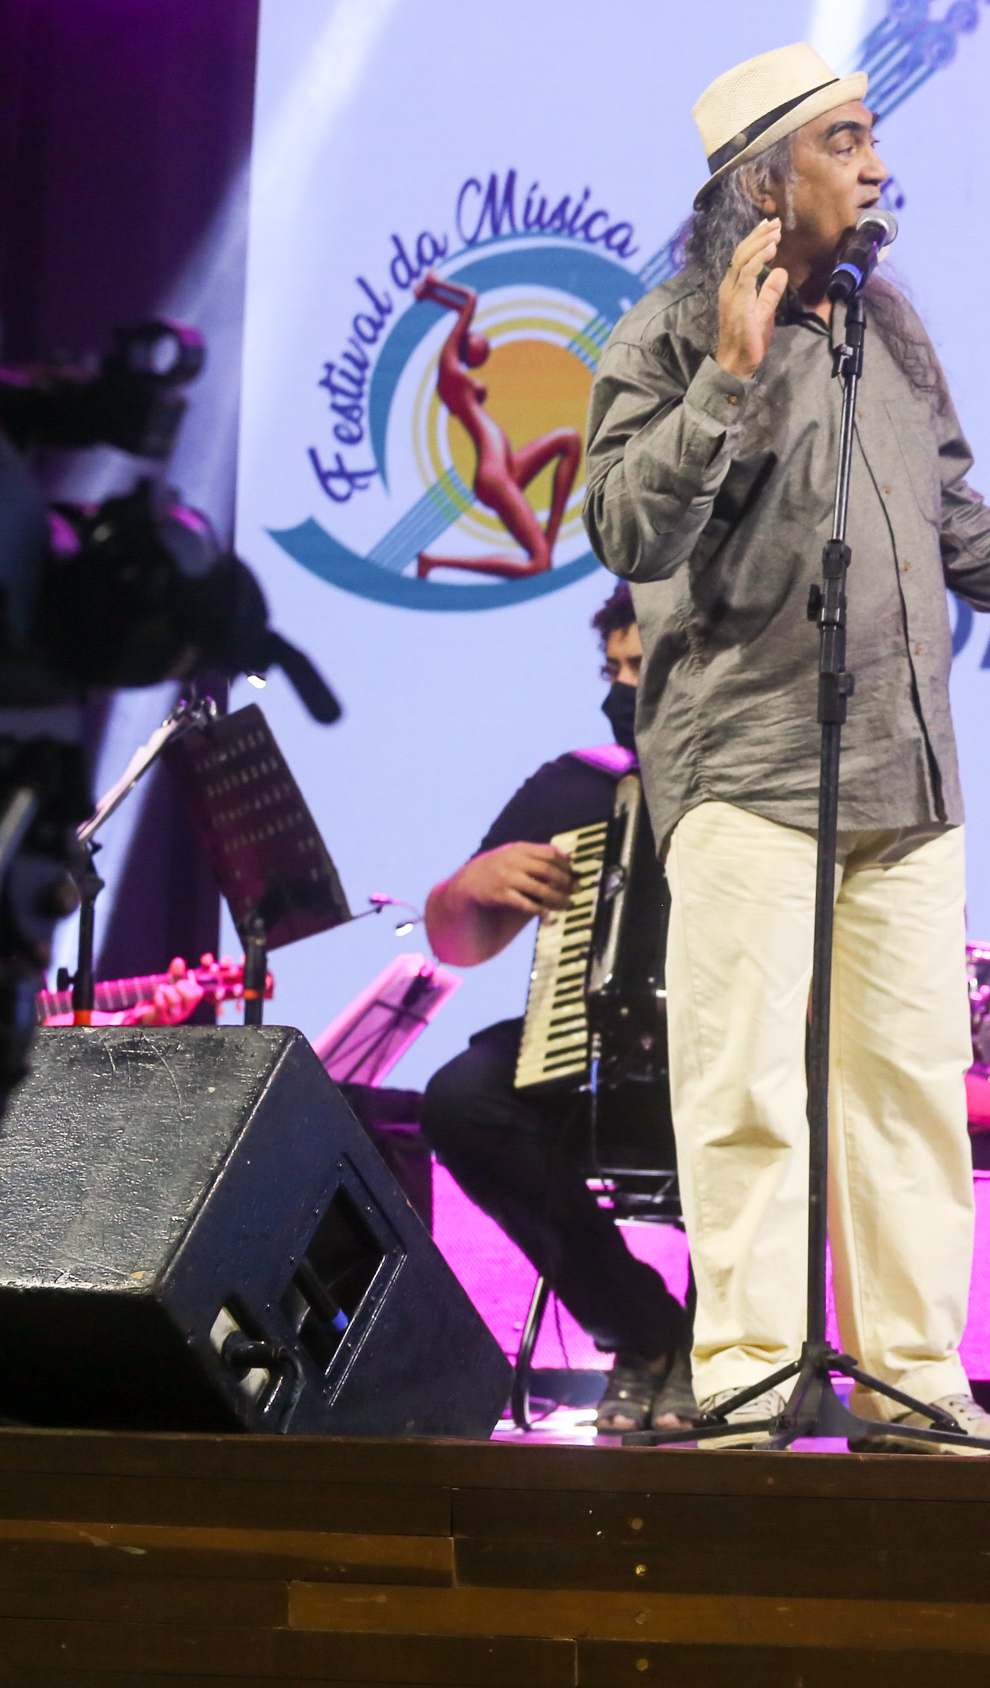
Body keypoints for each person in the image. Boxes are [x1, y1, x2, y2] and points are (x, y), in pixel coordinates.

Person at [582, 42, 990, 1451]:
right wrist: (727, 383)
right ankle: (753, 1377)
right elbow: (627, 534)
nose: (879, 168)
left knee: (907, 1097)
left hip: (907, 772)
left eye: (873, 143)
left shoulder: (894, 329)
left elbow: (954, 522)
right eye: (848, 143)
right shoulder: (662, 335)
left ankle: (914, 1387)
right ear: (765, 180)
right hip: (746, 771)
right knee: (747, 1091)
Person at [420, 584, 694, 1431]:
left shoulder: (770, 789)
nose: (620, 691)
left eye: (640, 668)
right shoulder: (576, 788)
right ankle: (645, 1333)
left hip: (724, 1057)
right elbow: (456, 941)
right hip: (592, 1053)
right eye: (611, 668)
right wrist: (468, 888)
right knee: (463, 1099)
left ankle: (726, 1349)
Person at [409, 271, 582, 581]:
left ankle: (550, 541)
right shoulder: (449, 370)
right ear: (464, 341)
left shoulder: (460, 376)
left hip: (509, 466)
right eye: (479, 340)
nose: (483, 345)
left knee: (569, 440)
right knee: (538, 566)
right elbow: (469, 302)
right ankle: (435, 562)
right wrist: (435, 289)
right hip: (494, 474)